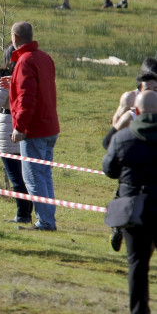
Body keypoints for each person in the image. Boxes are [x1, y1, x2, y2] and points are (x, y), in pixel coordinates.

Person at [103, 90, 157, 314]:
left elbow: (109, 169)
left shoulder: (123, 138)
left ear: (136, 111)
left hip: (133, 209)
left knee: (137, 264)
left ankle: (138, 311)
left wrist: (116, 127)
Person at [9, 21, 59, 231]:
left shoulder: (25, 61)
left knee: (33, 177)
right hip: (49, 126)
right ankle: (47, 218)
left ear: (15, 38)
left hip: (34, 129)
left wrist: (20, 126)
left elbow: (26, 97)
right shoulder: (44, 57)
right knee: (44, 175)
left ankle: (45, 221)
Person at [0, 45, 33, 223]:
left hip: (7, 128)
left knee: (16, 177)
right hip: (24, 126)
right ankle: (28, 213)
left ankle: (22, 215)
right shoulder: (28, 76)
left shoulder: (5, 78)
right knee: (26, 176)